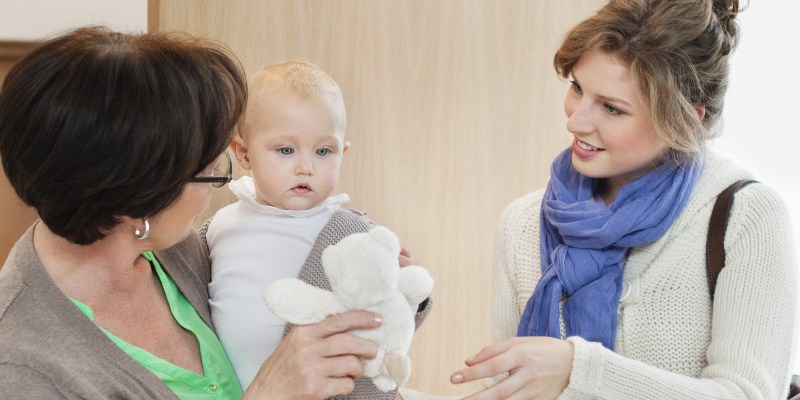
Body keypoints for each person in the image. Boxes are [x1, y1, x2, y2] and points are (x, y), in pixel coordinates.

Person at [0, 27, 386, 400]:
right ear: (139, 199)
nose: (219, 182)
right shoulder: (23, 370)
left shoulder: (174, 247)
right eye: (208, 169)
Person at [450, 0, 798, 399]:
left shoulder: (745, 217)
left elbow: (748, 394)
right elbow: (505, 390)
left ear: (686, 120)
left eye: (612, 108)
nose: (575, 121)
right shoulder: (524, 222)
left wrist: (579, 369)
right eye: (577, 87)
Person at [202, 60, 431, 399]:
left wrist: (410, 290)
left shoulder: (354, 234)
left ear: (343, 151)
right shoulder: (219, 227)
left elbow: (394, 318)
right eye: (285, 150)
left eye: (324, 151)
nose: (306, 167)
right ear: (244, 153)